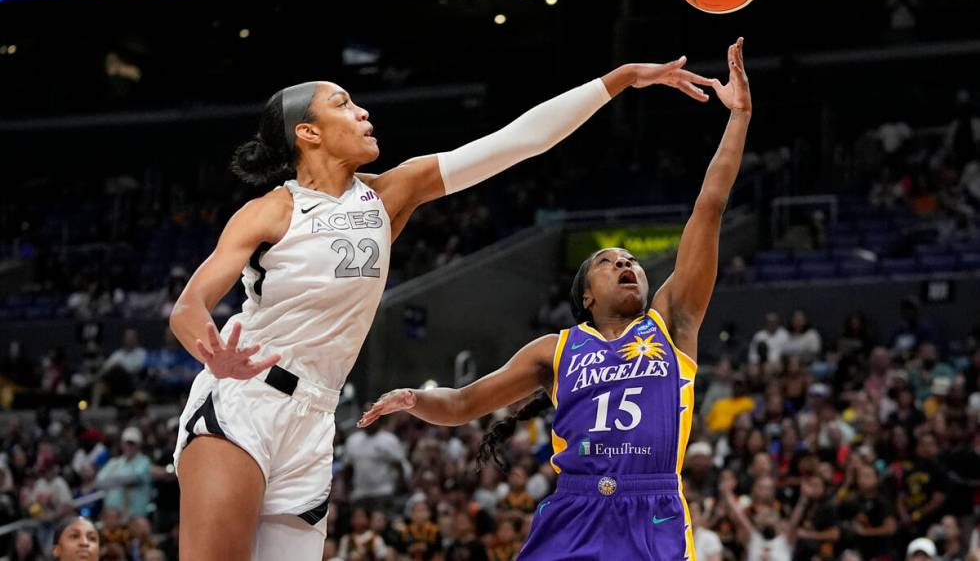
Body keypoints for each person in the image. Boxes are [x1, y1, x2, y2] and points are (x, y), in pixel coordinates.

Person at [168, 46, 714, 561]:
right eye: (343, 104)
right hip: (246, 397)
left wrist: (620, 79)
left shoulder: (389, 195)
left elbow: (519, 141)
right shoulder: (272, 210)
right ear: (307, 133)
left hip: (315, 417)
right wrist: (212, 353)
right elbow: (189, 306)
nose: (362, 112)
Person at [359, 38, 752, 560]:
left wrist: (739, 118)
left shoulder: (672, 321)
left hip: (651, 508)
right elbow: (463, 403)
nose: (626, 265)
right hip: (573, 510)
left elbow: (709, 207)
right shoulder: (555, 350)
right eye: (608, 261)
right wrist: (414, 400)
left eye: (631, 260)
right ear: (586, 295)